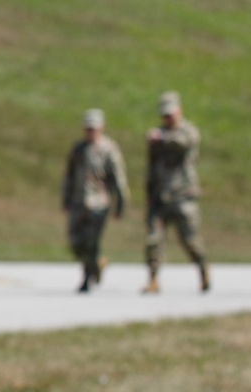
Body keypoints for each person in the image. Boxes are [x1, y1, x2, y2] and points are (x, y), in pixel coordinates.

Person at [143, 91, 210, 294]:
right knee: (153, 239)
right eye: (164, 115)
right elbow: (152, 165)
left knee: (189, 240)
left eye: (170, 114)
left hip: (182, 195)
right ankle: (153, 279)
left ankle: (203, 269)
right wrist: (149, 189)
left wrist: (162, 137)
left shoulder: (187, 132)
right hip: (160, 196)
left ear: (179, 111)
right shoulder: (158, 135)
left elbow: (182, 144)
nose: (167, 119)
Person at [61, 109, 129, 292]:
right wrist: (66, 198)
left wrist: (121, 204)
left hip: (99, 203)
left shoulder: (109, 149)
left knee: (91, 242)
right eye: (88, 128)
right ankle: (98, 264)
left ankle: (86, 280)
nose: (91, 132)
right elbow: (69, 176)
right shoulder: (79, 149)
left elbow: (118, 179)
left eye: (94, 128)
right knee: (76, 242)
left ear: (101, 128)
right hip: (79, 202)